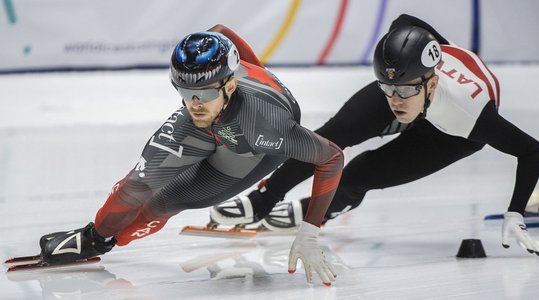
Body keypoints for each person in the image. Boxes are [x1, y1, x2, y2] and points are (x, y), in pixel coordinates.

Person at [210, 14, 539, 257]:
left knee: (359, 174)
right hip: (417, 83)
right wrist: (397, 84)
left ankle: (323, 208)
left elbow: (532, 151)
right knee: (328, 140)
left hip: (452, 133)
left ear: (431, 83)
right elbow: (404, 20)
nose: (395, 100)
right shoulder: (402, 82)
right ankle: (264, 199)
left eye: (403, 92)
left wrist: (515, 212)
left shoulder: (471, 115)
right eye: (388, 88)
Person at [39, 25, 344, 286]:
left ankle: (113, 241)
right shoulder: (204, 93)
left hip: (251, 148)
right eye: (185, 92)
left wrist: (310, 230)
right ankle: (95, 238)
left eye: (207, 92)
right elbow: (221, 31)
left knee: (163, 201)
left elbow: (331, 158)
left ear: (231, 84)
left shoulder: (267, 126)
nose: (195, 104)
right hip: (219, 124)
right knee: (138, 184)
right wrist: (95, 235)